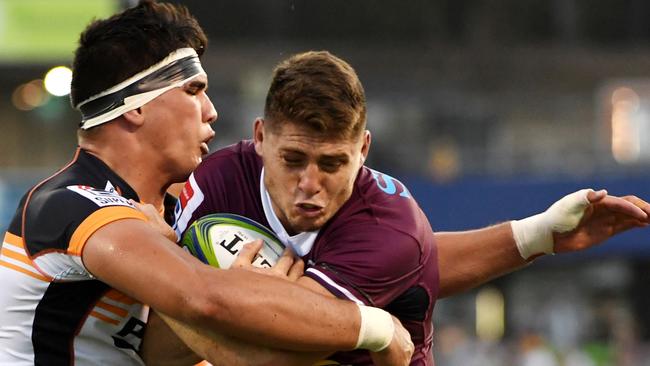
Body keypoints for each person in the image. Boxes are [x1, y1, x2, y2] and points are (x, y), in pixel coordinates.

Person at [170, 50, 650, 365]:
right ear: (258, 138)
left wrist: (207, 294)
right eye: (292, 160)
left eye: (333, 163)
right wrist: (534, 236)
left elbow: (279, 349)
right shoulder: (215, 182)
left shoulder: (392, 225)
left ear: (363, 150)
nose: (309, 185)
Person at [0, 2, 415, 365]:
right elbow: (207, 299)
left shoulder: (173, 216)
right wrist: (374, 326)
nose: (211, 111)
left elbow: (219, 349)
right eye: (194, 90)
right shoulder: (72, 204)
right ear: (134, 107)